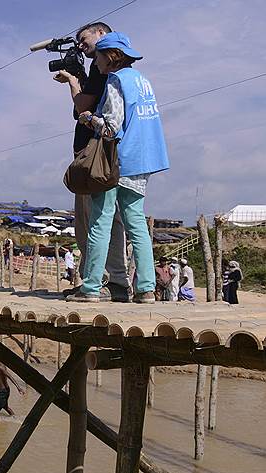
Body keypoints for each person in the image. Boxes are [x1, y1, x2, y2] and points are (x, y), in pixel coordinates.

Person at [67, 32, 169, 304]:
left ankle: (90, 288)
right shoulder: (142, 80)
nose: (96, 63)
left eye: (98, 57)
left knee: (100, 222)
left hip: (118, 161)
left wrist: (89, 119)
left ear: (110, 56)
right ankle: (146, 289)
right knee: (136, 224)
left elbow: (112, 127)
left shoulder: (116, 81)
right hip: (144, 160)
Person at [54, 22, 130, 302]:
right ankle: (101, 280)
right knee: (94, 221)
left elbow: (82, 107)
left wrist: (74, 83)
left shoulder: (104, 71)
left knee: (97, 220)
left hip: (97, 154)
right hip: (96, 153)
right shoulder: (104, 71)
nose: (82, 46)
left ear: (101, 34)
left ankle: (104, 281)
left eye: (84, 40)